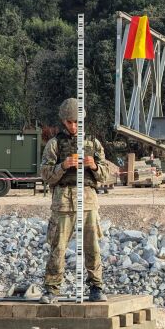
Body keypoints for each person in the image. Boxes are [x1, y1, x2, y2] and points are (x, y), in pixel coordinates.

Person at [39, 98, 109, 303]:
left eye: (77, 122)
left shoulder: (93, 143)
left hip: (87, 199)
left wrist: (94, 166)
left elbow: (106, 175)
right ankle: (52, 289)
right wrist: (63, 166)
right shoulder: (54, 144)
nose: (73, 126)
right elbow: (45, 174)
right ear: (63, 122)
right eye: (69, 122)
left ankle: (96, 287)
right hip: (63, 200)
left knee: (92, 246)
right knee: (58, 246)